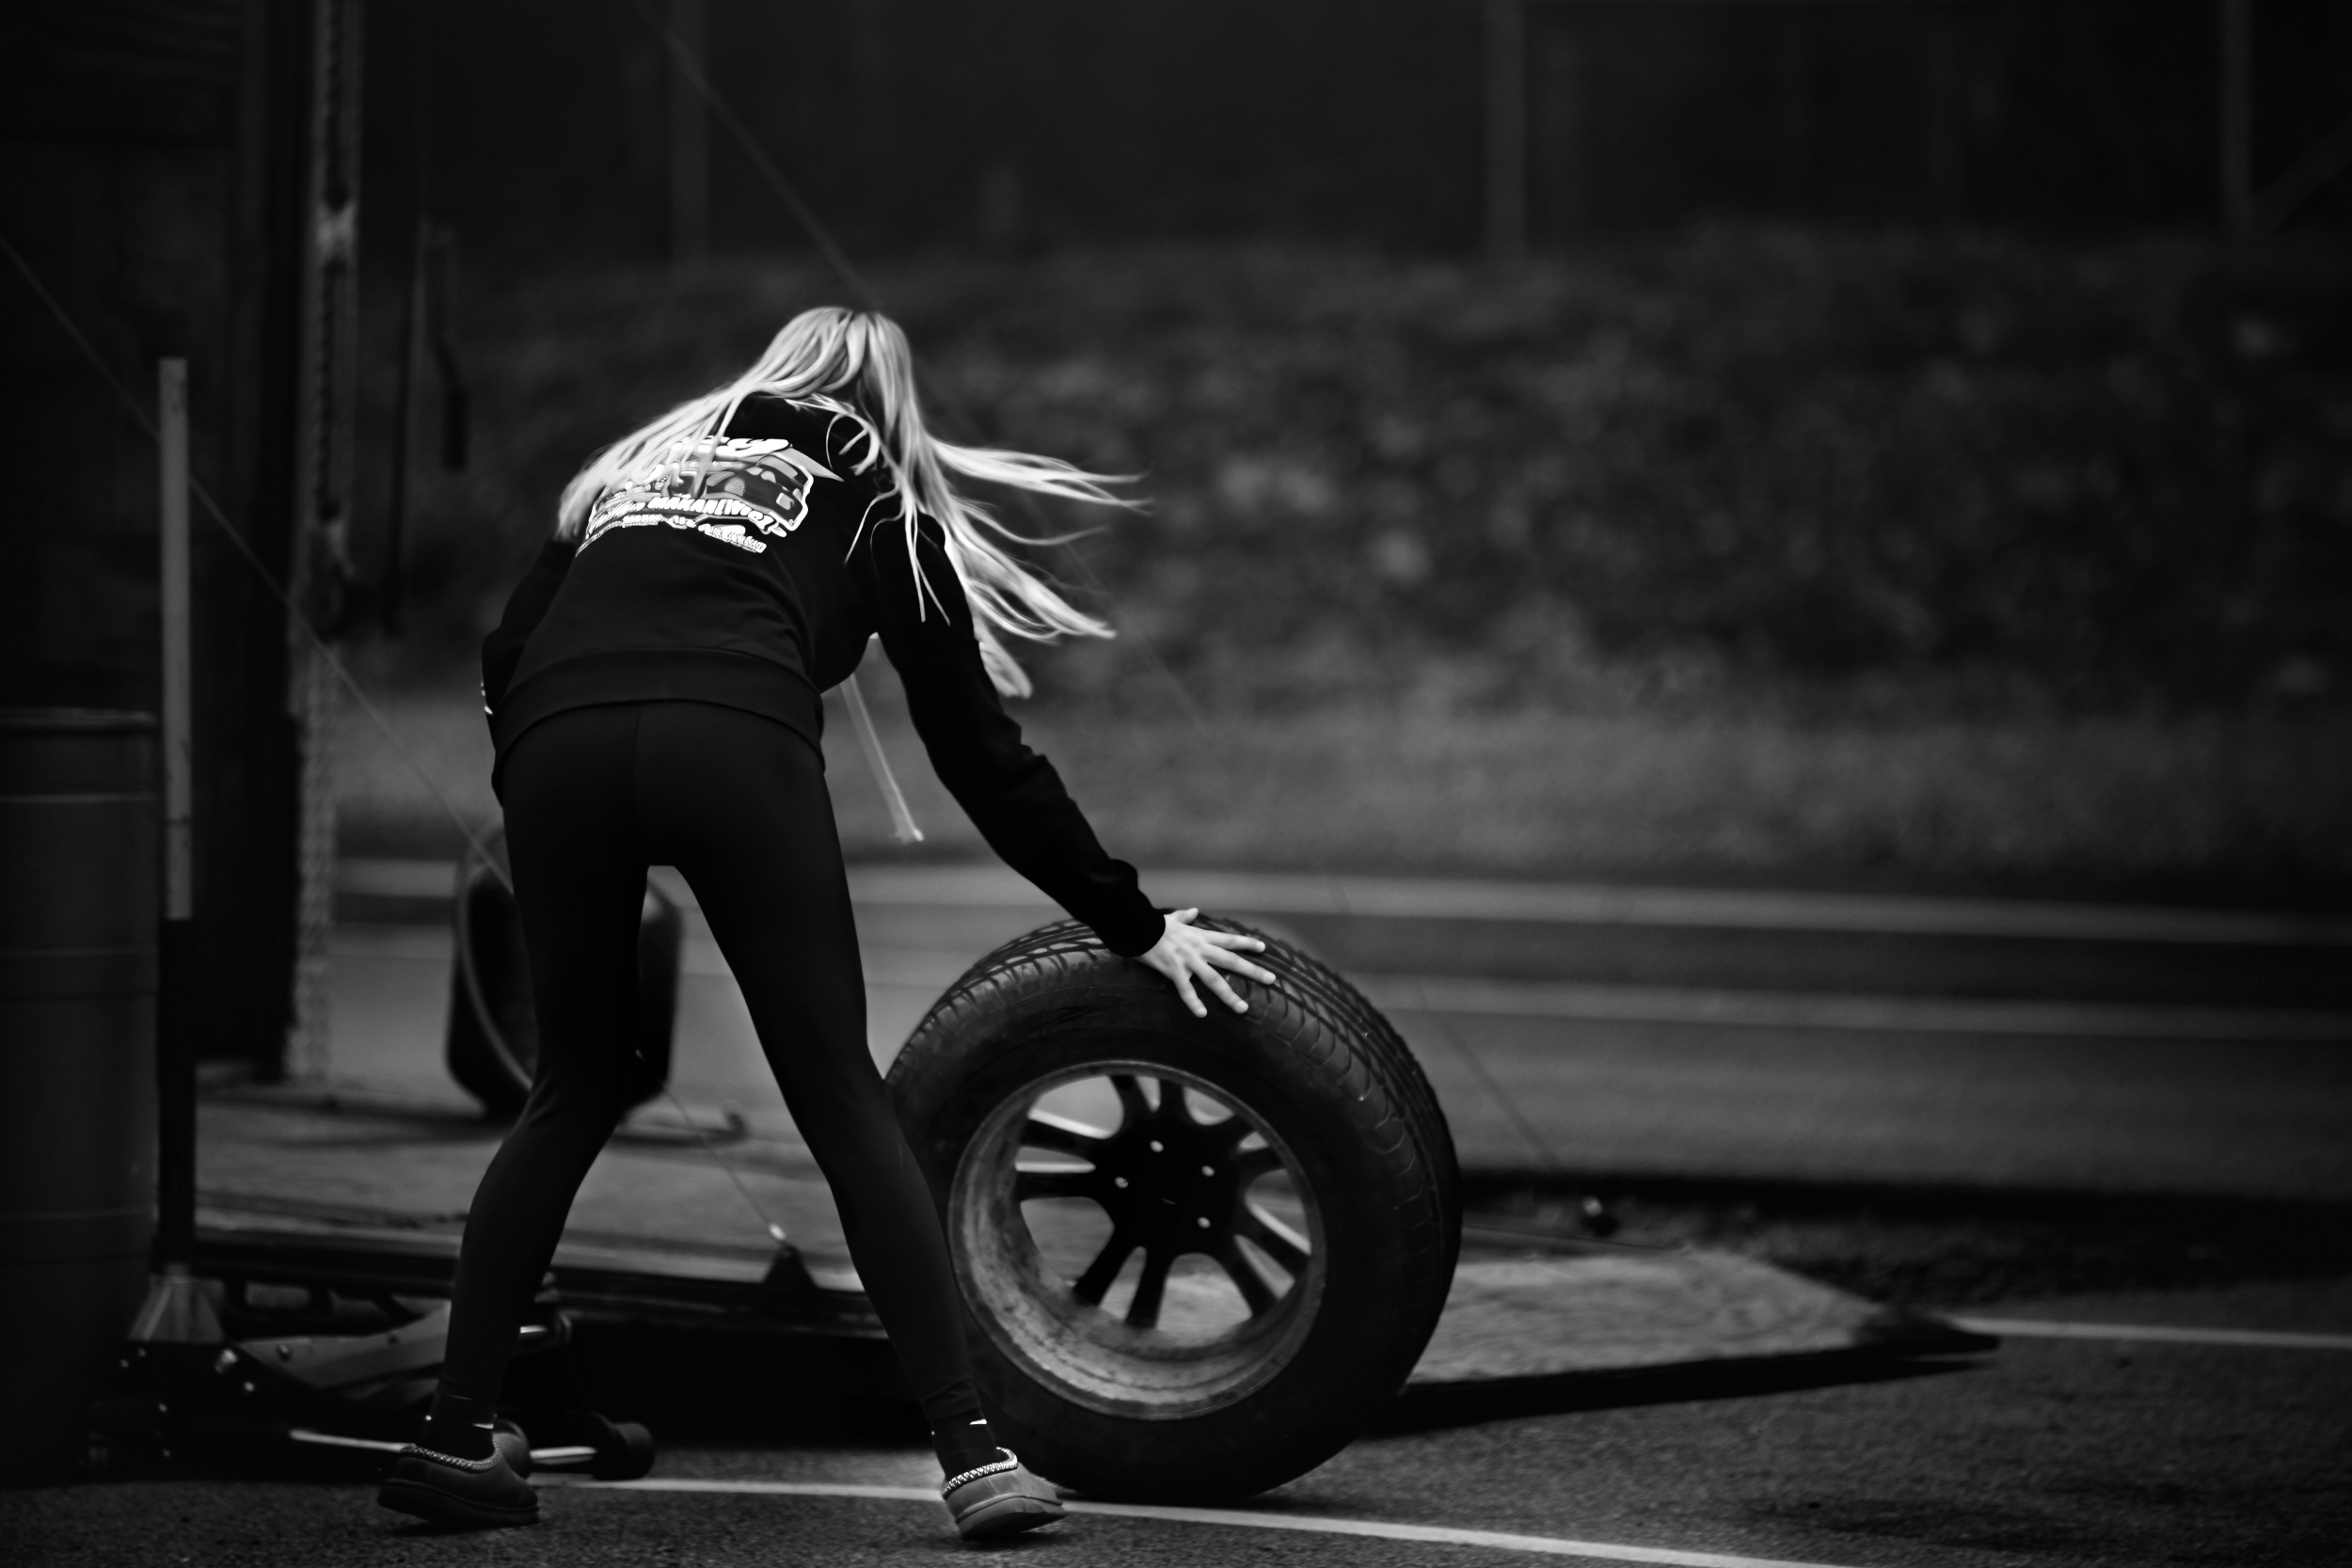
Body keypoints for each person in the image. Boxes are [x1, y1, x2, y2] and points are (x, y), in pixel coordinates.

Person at [375, 307, 1273, 1538]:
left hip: (555, 749)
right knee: (841, 1096)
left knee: (570, 1089)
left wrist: (539, 792)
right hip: (733, 746)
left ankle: (454, 1433)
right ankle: (974, 1458)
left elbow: (501, 654)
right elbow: (981, 758)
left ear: (770, 373)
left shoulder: (630, 477)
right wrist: (1134, 922)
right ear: (887, 403)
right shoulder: (879, 502)